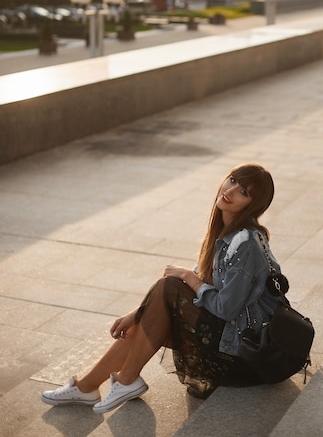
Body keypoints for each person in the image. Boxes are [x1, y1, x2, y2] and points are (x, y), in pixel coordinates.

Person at [41, 163, 285, 413]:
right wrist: (138, 313)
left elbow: (224, 308)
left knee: (169, 285)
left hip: (244, 355)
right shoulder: (225, 233)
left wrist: (190, 278)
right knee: (148, 318)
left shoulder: (245, 244)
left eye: (243, 192)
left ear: (253, 205)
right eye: (232, 180)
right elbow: (197, 286)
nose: (231, 191)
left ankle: (125, 380)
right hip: (228, 339)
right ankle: (87, 388)